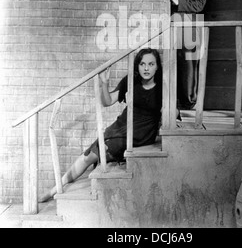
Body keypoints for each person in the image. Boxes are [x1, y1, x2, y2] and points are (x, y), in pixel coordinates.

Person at [39, 48, 162, 202]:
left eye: (151, 64)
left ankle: (55, 189)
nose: (146, 68)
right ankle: (55, 189)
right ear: (137, 66)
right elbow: (107, 101)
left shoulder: (163, 87)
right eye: (142, 64)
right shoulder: (130, 81)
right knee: (87, 154)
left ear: (157, 66)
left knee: (95, 154)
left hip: (141, 133)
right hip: (121, 126)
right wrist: (105, 83)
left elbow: (172, 112)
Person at [165, 0, 207, 111]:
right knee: (168, 60)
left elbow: (200, 4)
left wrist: (177, 2)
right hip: (169, 23)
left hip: (190, 24)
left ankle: (188, 104)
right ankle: (170, 103)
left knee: (189, 64)